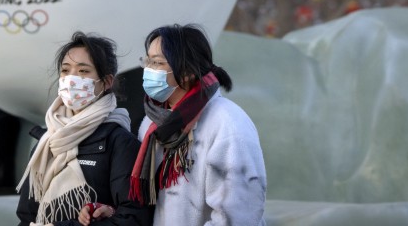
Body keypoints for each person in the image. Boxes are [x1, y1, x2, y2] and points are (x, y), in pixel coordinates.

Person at [129, 24, 266, 226]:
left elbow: (239, 215)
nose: (148, 70)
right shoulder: (152, 122)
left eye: (157, 63)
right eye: (147, 61)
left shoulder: (228, 123)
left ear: (187, 71)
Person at [17, 31, 152, 226]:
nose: (71, 79)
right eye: (65, 70)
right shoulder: (47, 141)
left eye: (83, 71)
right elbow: (26, 216)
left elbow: (133, 218)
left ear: (106, 82)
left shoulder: (120, 143)